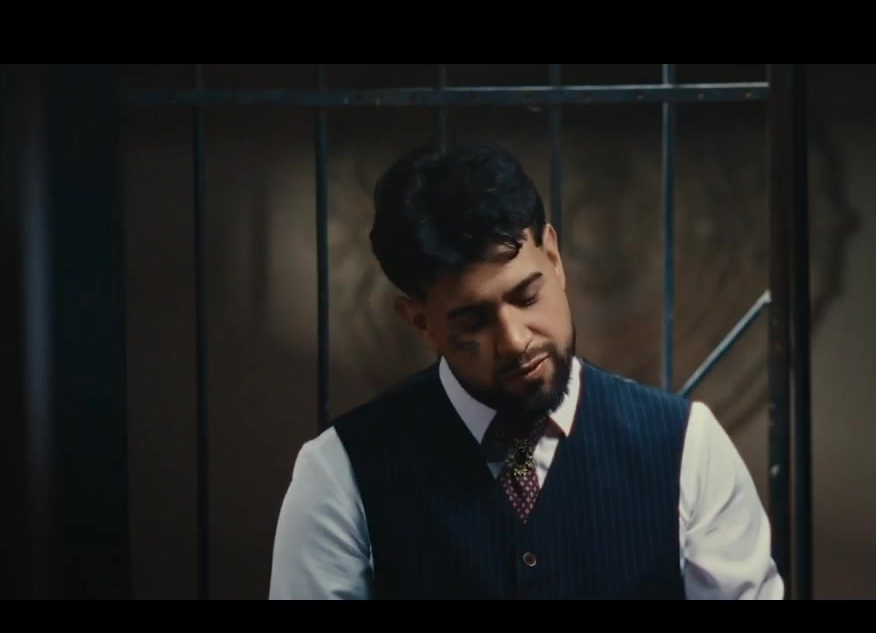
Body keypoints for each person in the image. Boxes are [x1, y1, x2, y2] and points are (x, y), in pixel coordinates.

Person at [268, 140, 783, 600]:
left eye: (527, 296)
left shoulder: (687, 446)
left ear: (554, 258)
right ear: (420, 321)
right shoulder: (341, 473)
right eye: (473, 320)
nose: (515, 341)